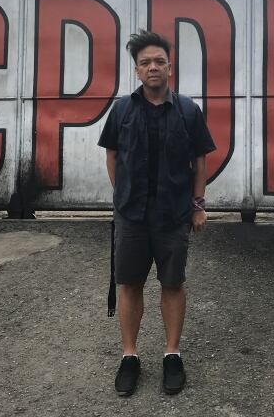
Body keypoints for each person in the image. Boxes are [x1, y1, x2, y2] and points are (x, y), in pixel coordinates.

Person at [97, 29, 216, 396]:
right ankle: (130, 356)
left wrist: (197, 207)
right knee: (129, 284)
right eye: (145, 62)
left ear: (170, 68)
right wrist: (124, 198)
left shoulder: (187, 111)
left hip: (173, 216)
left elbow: (199, 159)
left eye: (159, 62)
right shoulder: (122, 109)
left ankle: (171, 354)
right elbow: (112, 155)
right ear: (137, 70)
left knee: (173, 283)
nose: (153, 68)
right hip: (132, 217)